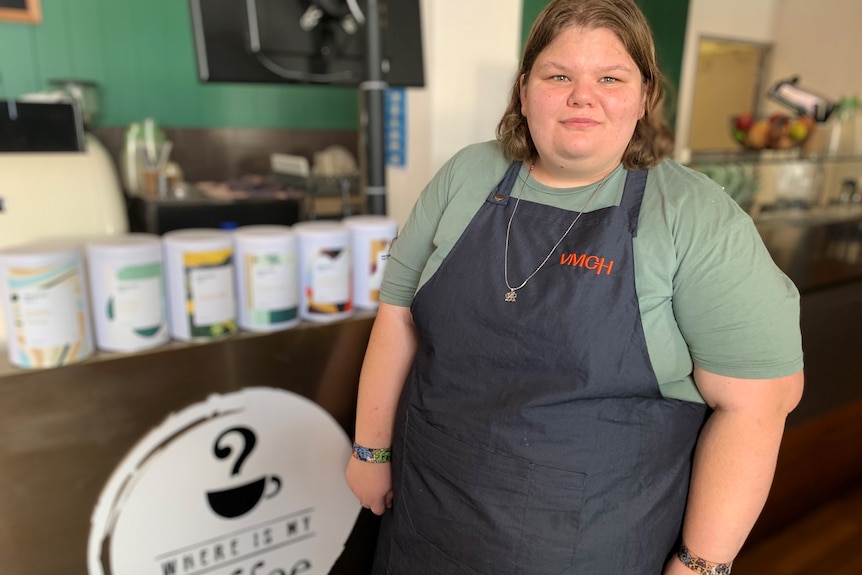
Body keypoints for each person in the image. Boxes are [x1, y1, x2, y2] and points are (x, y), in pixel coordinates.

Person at [345, 0, 804, 572]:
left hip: (593, 545)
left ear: (644, 95)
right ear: (524, 91)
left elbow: (757, 406)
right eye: (558, 76)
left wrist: (701, 564)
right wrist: (371, 448)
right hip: (428, 520)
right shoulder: (467, 174)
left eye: (610, 78)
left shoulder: (695, 215)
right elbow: (398, 314)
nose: (582, 96)